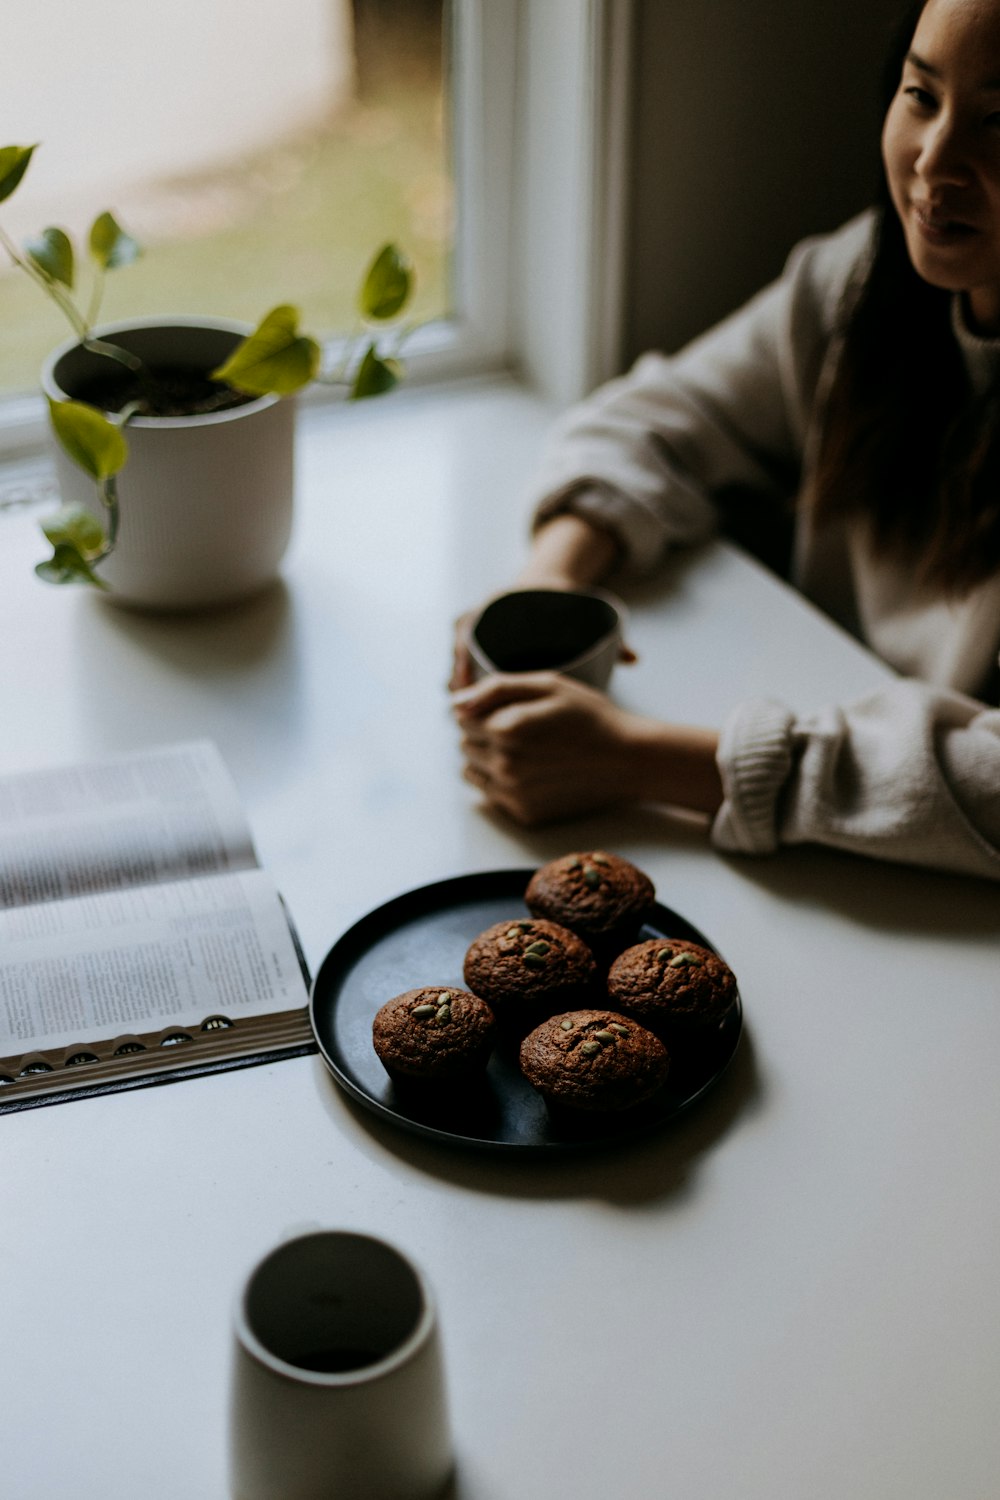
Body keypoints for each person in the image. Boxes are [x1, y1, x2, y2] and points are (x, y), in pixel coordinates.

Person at [451, 0, 1000, 882]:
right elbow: (659, 413)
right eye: (921, 94)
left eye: (997, 121)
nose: (936, 161)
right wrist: (547, 584)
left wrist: (643, 759)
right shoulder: (863, 278)